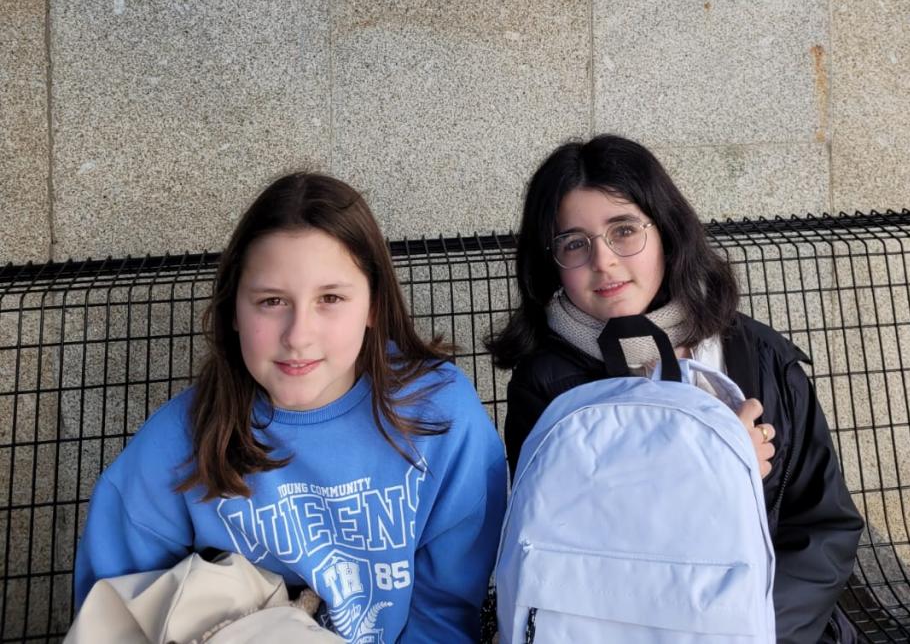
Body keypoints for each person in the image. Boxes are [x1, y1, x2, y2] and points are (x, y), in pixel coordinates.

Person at [74, 172, 507, 643]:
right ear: (234, 310)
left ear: (373, 305)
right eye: (272, 301)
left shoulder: (438, 414)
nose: (298, 335)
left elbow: (444, 609)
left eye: (330, 298)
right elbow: (114, 616)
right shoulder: (177, 443)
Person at [489, 135, 864, 644]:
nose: (604, 260)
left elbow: (823, 527)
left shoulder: (759, 356)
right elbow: (570, 549)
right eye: (574, 243)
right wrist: (718, 467)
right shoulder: (547, 388)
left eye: (624, 230)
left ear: (666, 231)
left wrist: (750, 628)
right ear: (551, 260)